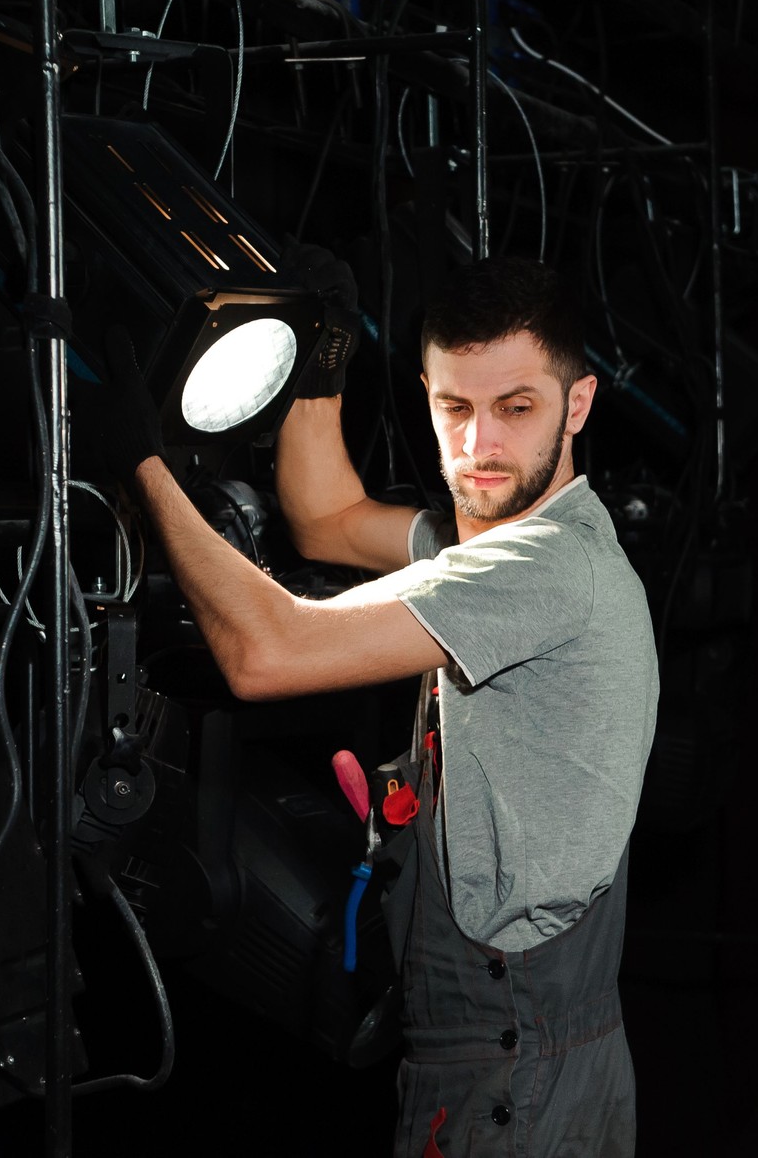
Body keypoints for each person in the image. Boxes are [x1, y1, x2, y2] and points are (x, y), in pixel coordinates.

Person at [98, 254, 659, 1156]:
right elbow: (327, 517)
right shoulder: (499, 533)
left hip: (516, 1072)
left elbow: (265, 651)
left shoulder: (544, 570)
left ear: (578, 405)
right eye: (454, 408)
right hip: (510, 1055)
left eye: (518, 409)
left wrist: (141, 464)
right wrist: (326, 359)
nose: (482, 447)